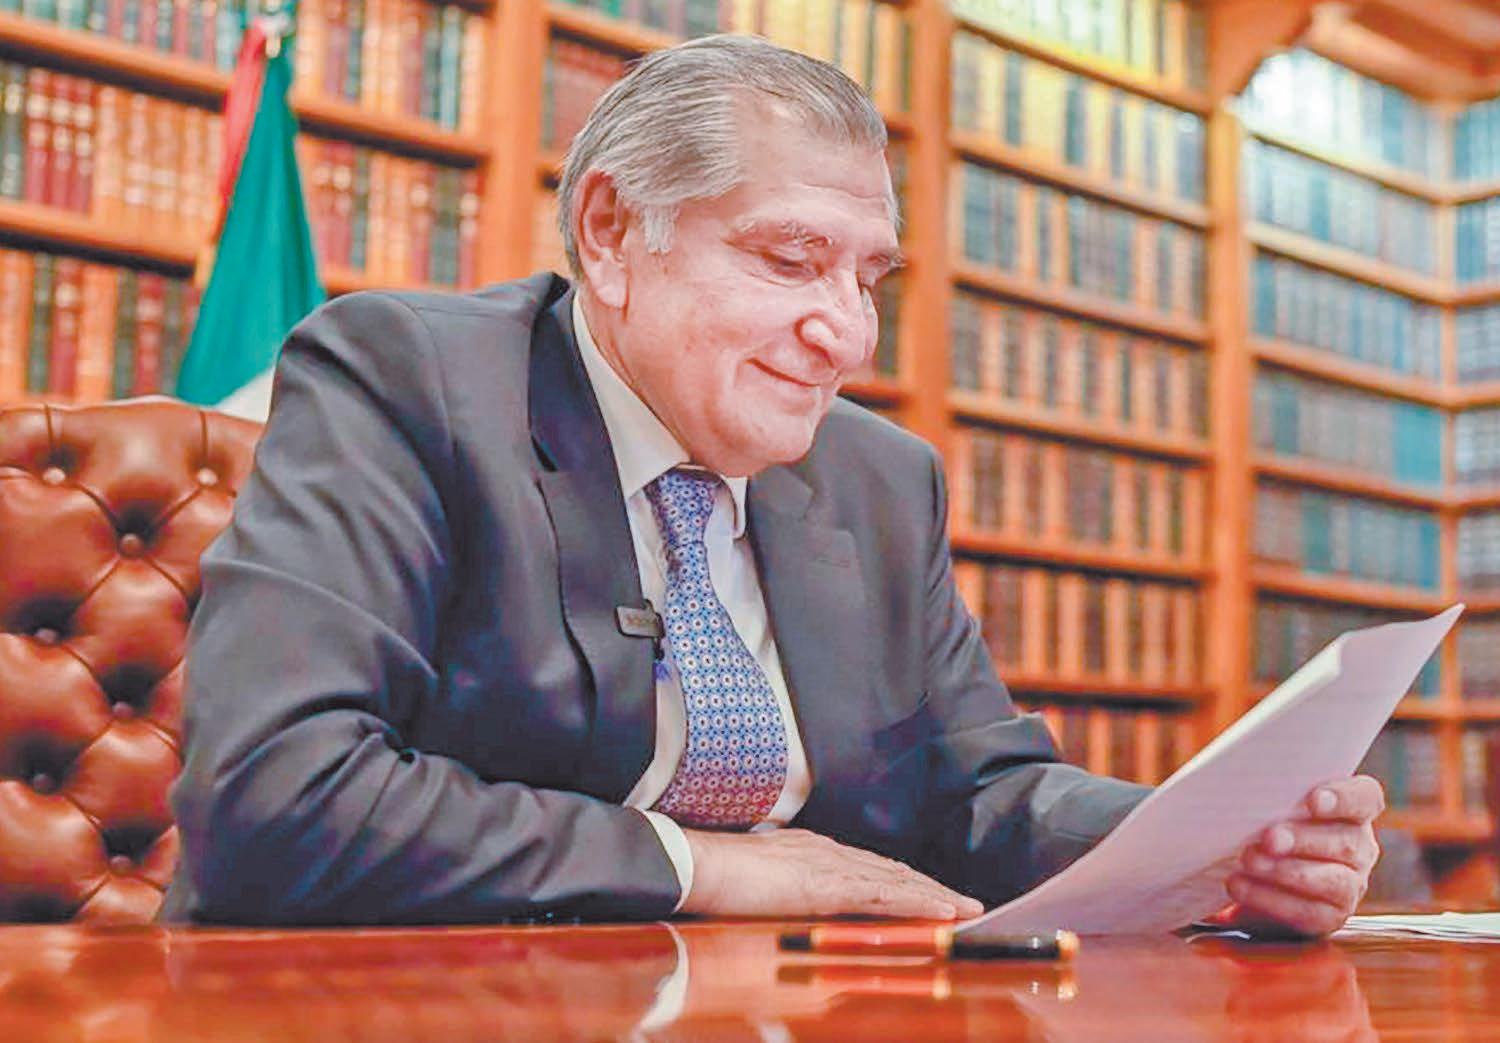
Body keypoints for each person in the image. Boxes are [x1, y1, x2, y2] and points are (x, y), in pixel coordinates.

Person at [163, 34, 1383, 935]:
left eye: (869, 278)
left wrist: (1207, 843)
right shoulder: (404, 380)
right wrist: (705, 866)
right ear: (609, 232)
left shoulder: (880, 478)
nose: (845, 334)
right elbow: (278, 795)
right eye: (791, 260)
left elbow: (979, 792)